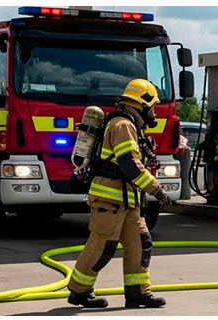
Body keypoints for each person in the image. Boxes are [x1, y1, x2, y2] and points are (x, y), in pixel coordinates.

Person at [67, 79, 173, 308]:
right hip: (110, 199)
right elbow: (130, 165)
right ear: (142, 104)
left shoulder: (131, 123)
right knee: (102, 246)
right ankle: (79, 290)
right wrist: (158, 191)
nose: (154, 112)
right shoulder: (123, 125)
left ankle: (138, 294)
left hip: (126, 201)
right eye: (152, 106)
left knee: (140, 243)